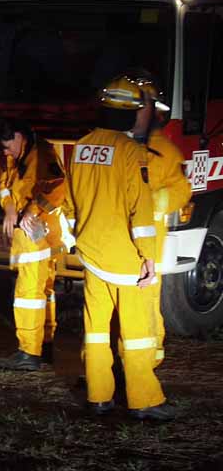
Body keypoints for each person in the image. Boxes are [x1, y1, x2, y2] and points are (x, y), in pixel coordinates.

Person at [65, 74, 174, 421]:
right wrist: (148, 257)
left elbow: (70, 202)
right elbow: (140, 210)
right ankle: (144, 400)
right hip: (125, 259)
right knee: (137, 332)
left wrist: (75, 238)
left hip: (91, 253)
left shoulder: (80, 147)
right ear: (129, 114)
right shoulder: (131, 152)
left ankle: (99, 396)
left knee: (96, 330)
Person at [125, 70, 192, 368]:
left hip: (149, 241)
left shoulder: (165, 151)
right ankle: (109, 366)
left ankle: (145, 362)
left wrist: (149, 203)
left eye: (143, 107)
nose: (138, 113)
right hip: (113, 240)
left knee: (146, 302)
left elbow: (180, 190)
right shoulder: (114, 144)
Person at [0, 119, 66, 371]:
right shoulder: (21, 155)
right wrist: (10, 207)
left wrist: (31, 211)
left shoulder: (42, 155)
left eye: (7, 146)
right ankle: (44, 344)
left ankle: (28, 352)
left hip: (36, 235)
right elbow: (4, 185)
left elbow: (58, 188)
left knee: (28, 294)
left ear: (19, 136)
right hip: (37, 235)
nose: (6, 153)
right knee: (43, 291)